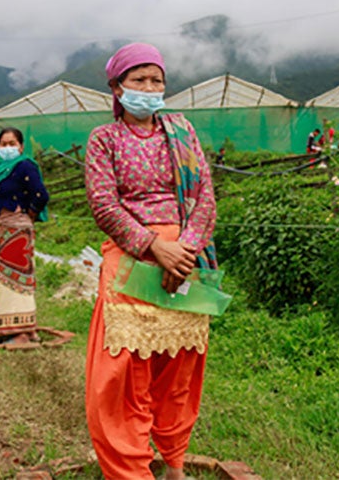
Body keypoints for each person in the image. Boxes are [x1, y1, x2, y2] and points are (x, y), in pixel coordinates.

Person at [84, 42, 218, 480]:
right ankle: (130, 470)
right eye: (138, 80)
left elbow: (204, 197)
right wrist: (154, 247)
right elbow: (104, 205)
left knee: (178, 370)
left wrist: (186, 248)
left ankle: (174, 463)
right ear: (117, 88)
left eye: (156, 80)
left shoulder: (182, 130)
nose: (149, 88)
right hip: (131, 262)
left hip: (185, 262)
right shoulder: (104, 140)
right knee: (123, 374)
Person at [0, 127, 49, 345]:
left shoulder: (24, 166)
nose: (7, 147)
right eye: (3, 144)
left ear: (21, 146)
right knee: (3, 279)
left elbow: (41, 195)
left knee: (16, 279)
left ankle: (21, 331)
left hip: (17, 230)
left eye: (12, 143)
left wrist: (28, 215)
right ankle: (25, 329)